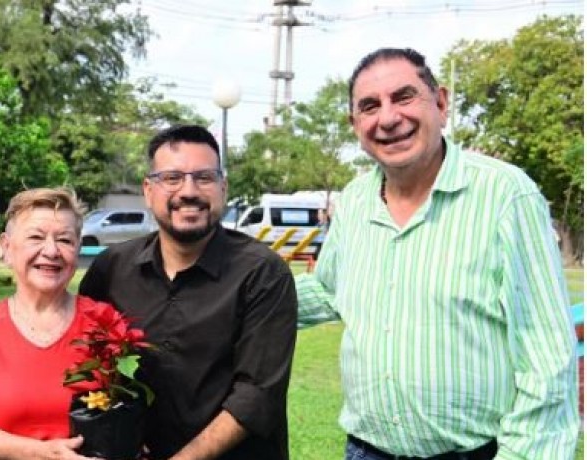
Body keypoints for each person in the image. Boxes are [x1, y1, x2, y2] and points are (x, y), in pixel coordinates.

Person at [295, 47, 579, 459]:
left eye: (404, 97)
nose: (388, 118)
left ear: (441, 103)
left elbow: (547, 356)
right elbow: (329, 290)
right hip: (367, 451)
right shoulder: (355, 200)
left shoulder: (504, 195)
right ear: (355, 125)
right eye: (370, 106)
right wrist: (234, 297)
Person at [78, 125, 298, 460]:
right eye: (172, 178)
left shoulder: (263, 273)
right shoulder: (111, 269)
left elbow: (257, 395)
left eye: (205, 177)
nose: (189, 191)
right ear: (148, 190)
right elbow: (87, 362)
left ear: (223, 188)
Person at [0, 188, 104, 460]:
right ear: (6, 247)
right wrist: (42, 453)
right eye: (35, 237)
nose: (51, 251)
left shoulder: (104, 325)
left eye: (65, 240)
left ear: (78, 249)